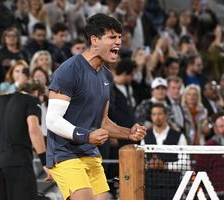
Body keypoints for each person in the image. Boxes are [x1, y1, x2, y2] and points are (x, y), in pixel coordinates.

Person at [45, 13, 147, 200]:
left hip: (90, 153)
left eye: (119, 37)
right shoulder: (69, 70)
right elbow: (52, 120)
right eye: (112, 37)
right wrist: (87, 135)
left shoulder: (107, 76)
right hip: (65, 154)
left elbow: (103, 122)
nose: (118, 42)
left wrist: (128, 134)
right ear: (94, 40)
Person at [0, 82, 51, 200]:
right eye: (42, 98)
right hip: (19, 164)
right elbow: (34, 129)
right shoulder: (32, 100)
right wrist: (45, 161)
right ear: (36, 92)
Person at [141, 103, 189, 200]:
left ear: (166, 116)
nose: (157, 117)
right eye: (154, 114)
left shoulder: (179, 136)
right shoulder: (145, 137)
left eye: (160, 114)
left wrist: (165, 165)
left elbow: (185, 163)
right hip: (151, 187)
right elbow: (141, 162)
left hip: (172, 187)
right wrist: (148, 165)